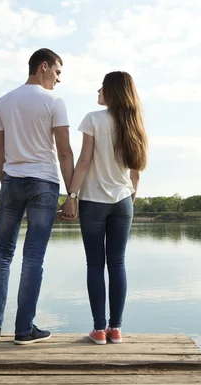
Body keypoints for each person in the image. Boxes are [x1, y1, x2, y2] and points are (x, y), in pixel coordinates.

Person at [0, 48, 76, 345]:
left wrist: (7, 180)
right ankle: (24, 330)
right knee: (33, 256)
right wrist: (72, 194)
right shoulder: (54, 102)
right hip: (44, 184)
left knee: (2, 254)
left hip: (11, 181)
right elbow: (64, 151)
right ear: (43, 66)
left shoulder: (3, 102)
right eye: (57, 72)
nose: (59, 79)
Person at [60, 71, 147, 345]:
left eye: (102, 86)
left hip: (93, 202)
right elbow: (136, 171)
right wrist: (130, 198)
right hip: (123, 200)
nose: (98, 90)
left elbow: (84, 161)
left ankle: (99, 330)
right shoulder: (134, 124)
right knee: (118, 263)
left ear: (112, 92)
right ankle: (116, 329)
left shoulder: (93, 120)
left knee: (96, 264)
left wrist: (71, 195)